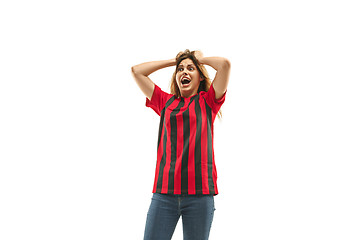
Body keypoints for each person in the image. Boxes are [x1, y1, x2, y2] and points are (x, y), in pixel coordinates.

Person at [131, 50, 230, 240]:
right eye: (180, 70)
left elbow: (224, 65)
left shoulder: (208, 101)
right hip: (164, 193)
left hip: (200, 194)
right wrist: (174, 62)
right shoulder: (165, 102)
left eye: (190, 69)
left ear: (200, 77)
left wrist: (198, 59)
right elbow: (137, 71)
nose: (184, 72)